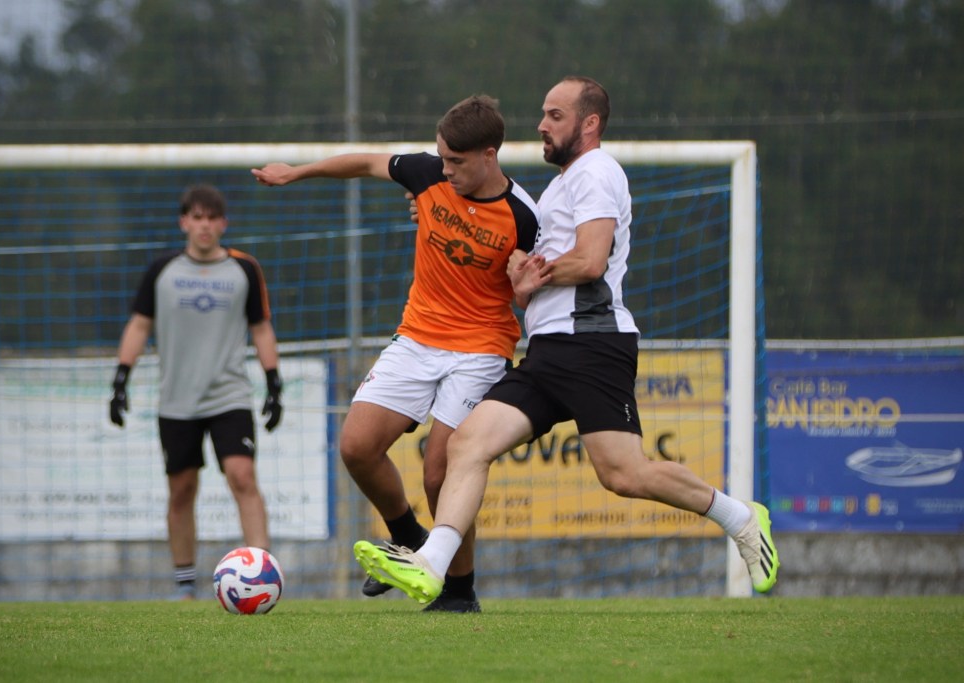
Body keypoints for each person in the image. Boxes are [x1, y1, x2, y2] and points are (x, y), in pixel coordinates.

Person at [353, 76, 780, 603]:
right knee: (468, 444)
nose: (542, 124)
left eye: (555, 115)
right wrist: (523, 283)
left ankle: (740, 517)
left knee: (623, 474)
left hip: (593, 345)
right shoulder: (561, 186)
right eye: (543, 113)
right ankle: (433, 568)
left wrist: (538, 273)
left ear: (590, 123)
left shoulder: (598, 172)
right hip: (548, 348)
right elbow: (542, 285)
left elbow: (591, 260)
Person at [252, 95, 540, 612]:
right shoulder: (427, 174)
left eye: (456, 162)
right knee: (356, 446)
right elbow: (363, 162)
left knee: (441, 470)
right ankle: (406, 533)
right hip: (417, 336)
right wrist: (297, 173)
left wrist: (524, 288)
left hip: (480, 348)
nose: (445, 169)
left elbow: (531, 291)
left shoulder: (524, 215)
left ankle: (459, 590)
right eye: (441, 158)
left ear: (489, 155)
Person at [109, 184, 283, 600]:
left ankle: (261, 576)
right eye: (197, 217)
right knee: (182, 489)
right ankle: (184, 585)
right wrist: (120, 378)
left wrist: (274, 382)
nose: (204, 226)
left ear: (223, 224)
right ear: (184, 222)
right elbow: (138, 325)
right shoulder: (162, 270)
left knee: (243, 477)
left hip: (229, 396)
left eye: (212, 218)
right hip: (177, 401)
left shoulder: (244, 269)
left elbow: (261, 328)